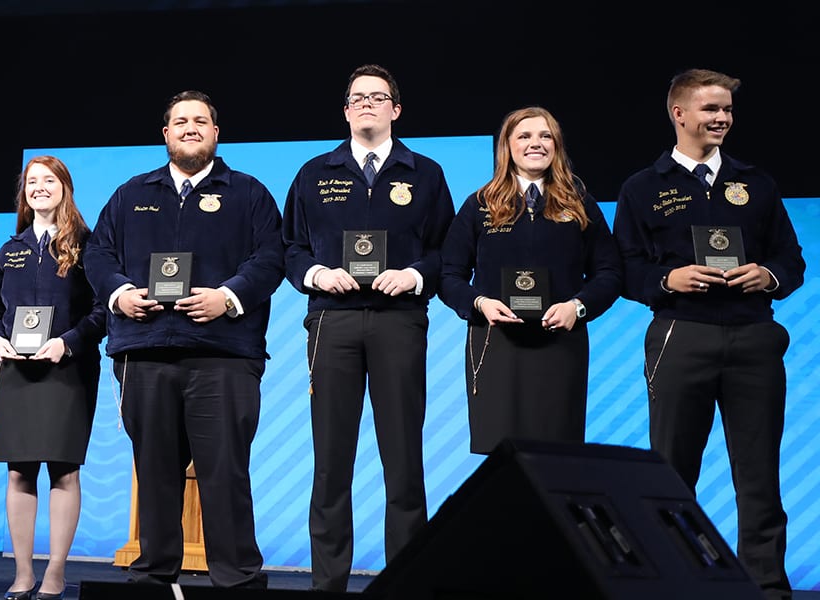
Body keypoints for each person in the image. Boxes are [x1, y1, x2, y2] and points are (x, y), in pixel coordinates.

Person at [613, 68, 803, 600]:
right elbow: (621, 268)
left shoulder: (757, 182)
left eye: (727, 111)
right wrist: (664, 279)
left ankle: (766, 586)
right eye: (710, 109)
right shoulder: (642, 187)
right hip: (680, 335)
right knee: (671, 473)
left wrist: (769, 275)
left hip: (753, 338)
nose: (721, 119)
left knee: (759, 473)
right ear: (679, 113)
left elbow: (791, 258)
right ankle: (675, 581)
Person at [83, 90, 283, 589]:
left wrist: (228, 297)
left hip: (223, 354)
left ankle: (236, 579)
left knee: (224, 473)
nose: (190, 128)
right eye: (180, 121)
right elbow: (98, 256)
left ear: (216, 132)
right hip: (144, 352)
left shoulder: (248, 193)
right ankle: (154, 576)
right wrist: (121, 294)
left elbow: (271, 259)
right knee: (153, 473)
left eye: (201, 121)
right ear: (166, 134)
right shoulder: (131, 194)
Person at [280, 64, 453, 592]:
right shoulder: (315, 172)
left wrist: (414, 274)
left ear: (396, 110)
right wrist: (316, 273)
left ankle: (407, 580)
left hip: (400, 321)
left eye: (378, 98)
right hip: (331, 322)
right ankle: (327, 584)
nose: (366, 105)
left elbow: (448, 252)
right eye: (357, 99)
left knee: (404, 457)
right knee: (332, 460)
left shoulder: (425, 173)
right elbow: (290, 248)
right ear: (346, 110)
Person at [439, 106, 622, 453]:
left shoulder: (580, 203)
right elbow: (449, 275)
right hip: (496, 346)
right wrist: (479, 303)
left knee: (558, 458)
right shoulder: (479, 205)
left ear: (557, 145)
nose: (535, 143)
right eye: (524, 136)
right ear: (507, 146)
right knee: (502, 460)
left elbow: (610, 273)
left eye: (545, 136)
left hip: (560, 345)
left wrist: (578, 307)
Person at [0, 156, 106, 600]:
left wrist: (67, 342)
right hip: (14, 370)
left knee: (64, 471)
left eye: (48, 181)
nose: (39, 188)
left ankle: (55, 571)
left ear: (65, 187)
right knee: (19, 472)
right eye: (32, 182)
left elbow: (101, 312)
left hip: (67, 370)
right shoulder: (10, 250)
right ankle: (23, 572)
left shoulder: (89, 245)